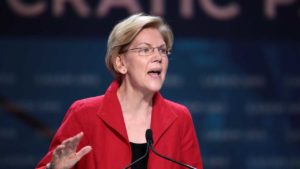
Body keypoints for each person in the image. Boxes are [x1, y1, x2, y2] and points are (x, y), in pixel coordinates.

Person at [36, 13, 203, 169]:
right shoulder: (84, 114)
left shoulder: (180, 118)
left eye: (162, 50)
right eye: (145, 50)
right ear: (120, 63)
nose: (158, 57)